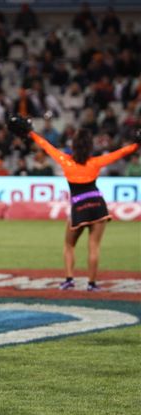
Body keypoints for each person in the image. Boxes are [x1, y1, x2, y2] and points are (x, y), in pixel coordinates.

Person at [13, 117, 138, 291]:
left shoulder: (65, 161)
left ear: (74, 145)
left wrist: (30, 133)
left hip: (79, 207)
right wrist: (137, 144)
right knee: (94, 247)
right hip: (97, 205)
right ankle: (92, 284)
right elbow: (121, 153)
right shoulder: (96, 162)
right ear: (90, 146)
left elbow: (46, 146)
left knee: (69, 245)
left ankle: (69, 280)